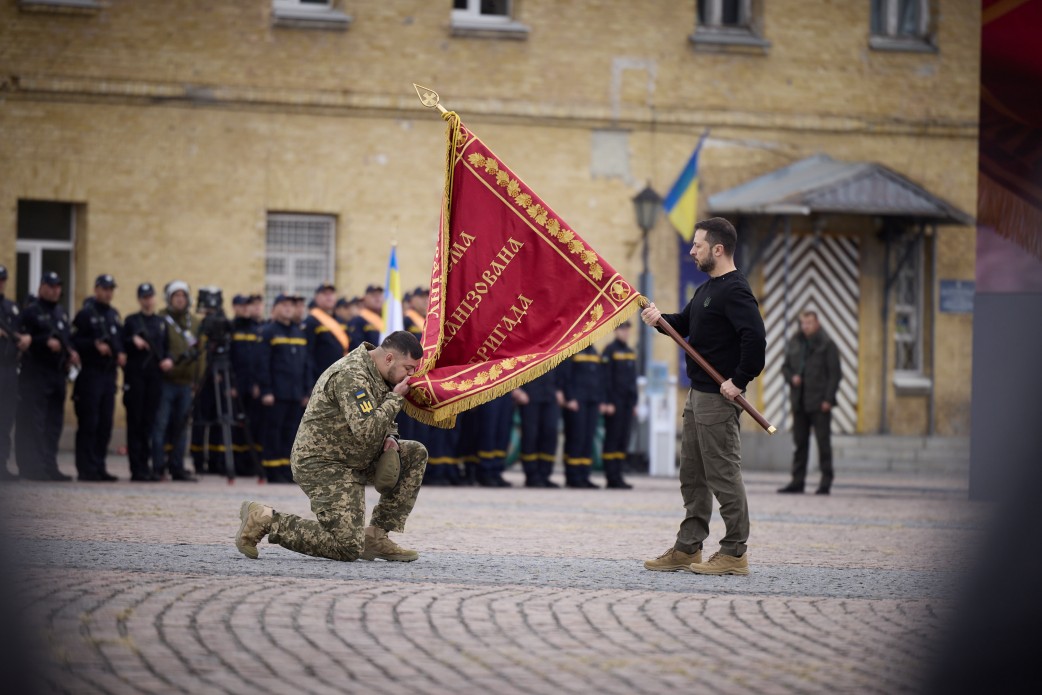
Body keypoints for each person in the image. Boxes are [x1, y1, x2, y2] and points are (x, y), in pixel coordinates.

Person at [235, 331, 428, 563]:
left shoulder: (381, 373)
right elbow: (367, 429)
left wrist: (391, 437)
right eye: (408, 368)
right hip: (322, 463)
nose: (411, 375)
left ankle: (376, 537)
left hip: (354, 455)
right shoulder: (351, 375)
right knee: (347, 547)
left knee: (414, 453)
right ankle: (264, 519)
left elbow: (383, 420)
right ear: (389, 359)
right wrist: (395, 399)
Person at [641, 217, 765, 576]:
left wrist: (738, 381)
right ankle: (688, 547)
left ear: (718, 249)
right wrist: (659, 318)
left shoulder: (736, 290)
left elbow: (755, 340)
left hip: (718, 399)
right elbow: (686, 325)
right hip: (697, 397)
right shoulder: (708, 288)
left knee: (723, 475)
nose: (691, 250)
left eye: (697, 245)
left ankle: (734, 552)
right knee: (692, 476)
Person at [15, 272, 79, 481]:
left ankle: (49, 465)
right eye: (50, 286)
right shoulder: (31, 312)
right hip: (35, 374)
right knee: (35, 423)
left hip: (57, 374)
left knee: (53, 424)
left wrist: (70, 353)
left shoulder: (60, 312)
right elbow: (23, 339)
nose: (55, 290)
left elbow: (67, 338)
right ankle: (32, 467)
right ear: (41, 286)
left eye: (58, 286)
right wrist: (42, 341)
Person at [778, 309, 842, 495]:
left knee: (823, 444)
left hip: (820, 402)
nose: (805, 326)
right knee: (800, 444)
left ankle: (825, 482)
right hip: (799, 401)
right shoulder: (795, 342)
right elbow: (785, 367)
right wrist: (792, 379)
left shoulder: (827, 344)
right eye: (803, 323)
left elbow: (835, 374)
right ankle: (797, 482)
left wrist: (828, 399)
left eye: (809, 323)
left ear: (817, 324)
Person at [71, 274, 126, 481]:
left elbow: (118, 340)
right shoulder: (85, 314)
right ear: (96, 290)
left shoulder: (113, 314)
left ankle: (99, 466)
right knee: (89, 423)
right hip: (90, 374)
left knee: (105, 424)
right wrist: (93, 345)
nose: (108, 293)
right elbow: (74, 341)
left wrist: (120, 353)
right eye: (104, 288)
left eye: (111, 289)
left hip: (108, 375)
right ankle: (85, 468)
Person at [122, 282, 173, 482]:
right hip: (136, 378)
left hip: (155, 378)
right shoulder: (131, 321)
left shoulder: (161, 322)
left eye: (150, 296)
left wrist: (168, 359)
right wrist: (132, 341)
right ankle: (137, 468)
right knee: (135, 422)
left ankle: (147, 465)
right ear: (139, 299)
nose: (148, 300)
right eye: (144, 297)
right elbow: (122, 343)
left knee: (149, 424)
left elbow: (167, 348)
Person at [151, 280, 202, 481]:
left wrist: (198, 379)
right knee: (160, 425)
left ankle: (177, 467)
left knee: (182, 428)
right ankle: (157, 466)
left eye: (183, 296)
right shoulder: (160, 319)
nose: (180, 300)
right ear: (169, 299)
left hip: (186, 383)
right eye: (176, 296)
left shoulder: (195, 322)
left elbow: (200, 352)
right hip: (166, 382)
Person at [257, 293, 310, 483]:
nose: (288, 308)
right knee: (274, 431)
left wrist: (306, 391)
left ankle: (286, 469)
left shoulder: (298, 332)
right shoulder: (269, 331)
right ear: (275, 308)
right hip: (276, 393)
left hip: (295, 393)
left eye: (291, 305)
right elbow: (263, 363)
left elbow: (305, 364)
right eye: (284, 305)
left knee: (291, 433)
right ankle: (272, 469)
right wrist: (266, 390)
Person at [0, 264, 31, 481]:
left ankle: (2, 465)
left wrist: (26, 339)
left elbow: (23, 331)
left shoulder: (12, 307)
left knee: (6, 419)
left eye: (2, 279)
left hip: (9, 370)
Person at [559, 344, 605, 488]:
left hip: (592, 402)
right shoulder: (573, 349)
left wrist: (600, 400)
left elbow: (600, 378)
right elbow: (565, 375)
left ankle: (584, 475)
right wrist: (570, 397)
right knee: (576, 438)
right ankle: (573, 476)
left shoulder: (595, 352)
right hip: (577, 402)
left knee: (587, 439)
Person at [601, 321, 637, 489]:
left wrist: (634, 403)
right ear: (616, 331)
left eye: (627, 330)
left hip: (627, 404)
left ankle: (619, 475)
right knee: (613, 439)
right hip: (614, 403)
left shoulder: (630, 352)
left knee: (623, 439)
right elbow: (606, 379)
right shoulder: (610, 350)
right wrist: (607, 401)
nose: (625, 333)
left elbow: (632, 381)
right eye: (622, 330)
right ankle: (611, 476)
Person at [513, 370, 564, 487]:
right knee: (531, 435)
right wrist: (518, 389)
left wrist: (560, 389)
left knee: (550, 434)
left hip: (550, 395)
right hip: (529, 396)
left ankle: (544, 474)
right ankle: (531, 475)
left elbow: (561, 368)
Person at [229, 294, 262, 476]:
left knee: (252, 425)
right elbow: (230, 358)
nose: (246, 309)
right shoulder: (233, 328)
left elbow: (259, 359)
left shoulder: (257, 328)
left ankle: (250, 463)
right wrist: (231, 384)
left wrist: (258, 383)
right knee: (236, 426)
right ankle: (236, 464)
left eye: (248, 306)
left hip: (252, 384)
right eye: (242, 306)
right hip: (236, 383)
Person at [304, 282, 350, 391]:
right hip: (321, 379)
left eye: (331, 294)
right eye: (325, 294)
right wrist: (310, 383)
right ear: (316, 297)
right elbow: (308, 355)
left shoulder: (340, 321)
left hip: (340, 378)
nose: (329, 297)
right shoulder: (311, 321)